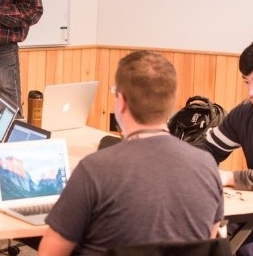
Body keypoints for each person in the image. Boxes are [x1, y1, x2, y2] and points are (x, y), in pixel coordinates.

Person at [38, 50, 224, 256]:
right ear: (171, 103)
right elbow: (208, 240)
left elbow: (50, 252)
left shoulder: (95, 169)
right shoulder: (207, 166)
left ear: (121, 102)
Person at [195, 37, 253, 256]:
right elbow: (208, 148)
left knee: (248, 248)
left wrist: (230, 178)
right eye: (247, 82)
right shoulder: (245, 113)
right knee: (204, 234)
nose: (251, 92)